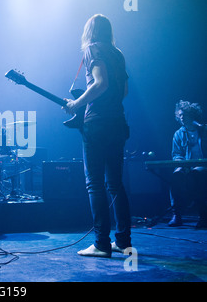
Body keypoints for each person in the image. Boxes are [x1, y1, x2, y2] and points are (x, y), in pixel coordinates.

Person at [64, 14, 132, 257]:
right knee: (115, 184)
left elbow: (100, 83)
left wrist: (77, 104)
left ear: (89, 31)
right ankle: (123, 242)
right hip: (117, 122)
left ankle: (102, 244)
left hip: (98, 125)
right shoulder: (118, 53)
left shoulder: (92, 49)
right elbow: (122, 90)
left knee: (95, 184)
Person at [168, 100, 207, 228]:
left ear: (193, 115)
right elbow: (176, 154)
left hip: (203, 166)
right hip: (187, 166)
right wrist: (180, 164)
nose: (182, 117)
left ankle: (203, 215)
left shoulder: (204, 130)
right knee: (175, 176)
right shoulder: (178, 134)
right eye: (180, 115)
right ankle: (176, 214)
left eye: (185, 114)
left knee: (197, 174)